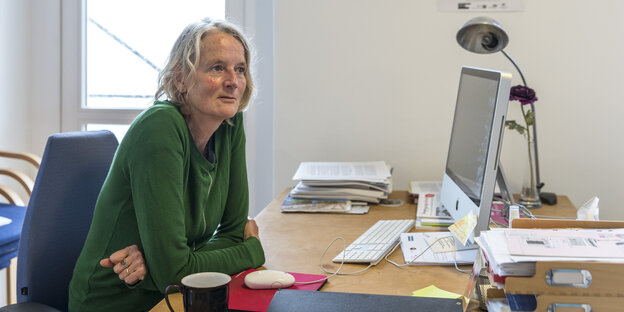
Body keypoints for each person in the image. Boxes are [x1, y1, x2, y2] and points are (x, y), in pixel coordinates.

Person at [68, 18, 265, 311]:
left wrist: (168, 260)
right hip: (117, 303)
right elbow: (176, 272)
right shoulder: (159, 127)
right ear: (180, 79)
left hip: (176, 298)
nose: (232, 81)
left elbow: (231, 232)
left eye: (240, 69)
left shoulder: (230, 123)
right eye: (216, 68)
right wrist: (251, 251)